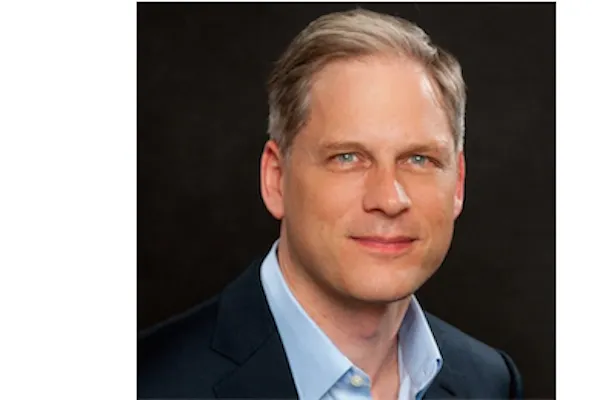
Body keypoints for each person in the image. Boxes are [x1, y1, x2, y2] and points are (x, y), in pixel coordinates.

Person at [138, 8, 523, 400]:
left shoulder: (489, 382)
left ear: (458, 182)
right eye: (347, 158)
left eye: (419, 159)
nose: (390, 199)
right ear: (276, 179)